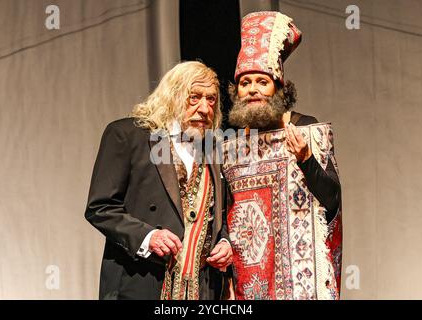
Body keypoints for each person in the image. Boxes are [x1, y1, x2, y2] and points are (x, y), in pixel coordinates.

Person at [85, 61, 233, 300]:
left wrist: (224, 241)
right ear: (172, 96)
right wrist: (148, 236)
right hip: (142, 282)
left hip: (202, 289)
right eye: (194, 97)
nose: (205, 108)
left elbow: (221, 214)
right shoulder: (127, 135)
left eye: (211, 99)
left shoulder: (214, 149)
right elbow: (100, 208)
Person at [222, 11, 342, 300]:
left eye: (262, 82)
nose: (253, 90)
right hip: (247, 284)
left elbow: (332, 201)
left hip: (300, 287)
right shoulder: (230, 147)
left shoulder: (304, 129)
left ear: (278, 88)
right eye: (245, 82)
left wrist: (305, 158)